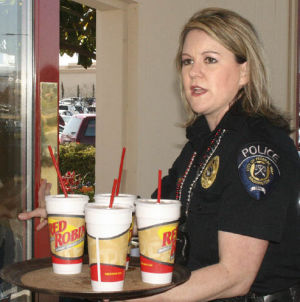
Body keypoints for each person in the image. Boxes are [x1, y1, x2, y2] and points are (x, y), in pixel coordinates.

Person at [19, 7, 300, 302]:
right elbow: (151, 218)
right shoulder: (202, 144)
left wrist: (135, 298)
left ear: (245, 72)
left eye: (210, 60)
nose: (194, 71)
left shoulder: (256, 148)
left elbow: (234, 277)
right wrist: (72, 216)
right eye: (187, 61)